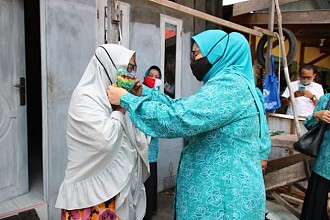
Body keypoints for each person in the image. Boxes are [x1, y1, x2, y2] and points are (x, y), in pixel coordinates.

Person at [107, 29, 271, 219]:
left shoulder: (230, 86)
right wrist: (144, 92)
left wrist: (127, 100)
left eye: (196, 54)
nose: (193, 61)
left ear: (216, 54)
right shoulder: (231, 84)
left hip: (223, 199)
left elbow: (180, 119)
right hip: (223, 194)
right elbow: (182, 107)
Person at [55, 44, 150, 220]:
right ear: (110, 66)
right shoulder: (85, 97)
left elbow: (138, 141)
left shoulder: (119, 98)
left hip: (116, 192)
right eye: (128, 68)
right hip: (88, 199)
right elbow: (105, 142)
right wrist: (121, 109)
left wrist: (134, 102)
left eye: (134, 68)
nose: (132, 74)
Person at [300, 93, 330, 220]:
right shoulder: (327, 99)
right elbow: (309, 124)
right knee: (316, 213)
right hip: (324, 168)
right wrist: (316, 116)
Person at [142, 65, 162, 220]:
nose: (153, 78)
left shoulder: (159, 97)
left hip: (152, 143)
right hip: (140, 142)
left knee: (151, 175)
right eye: (150, 75)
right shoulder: (139, 92)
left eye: (156, 76)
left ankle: (150, 209)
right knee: (142, 177)